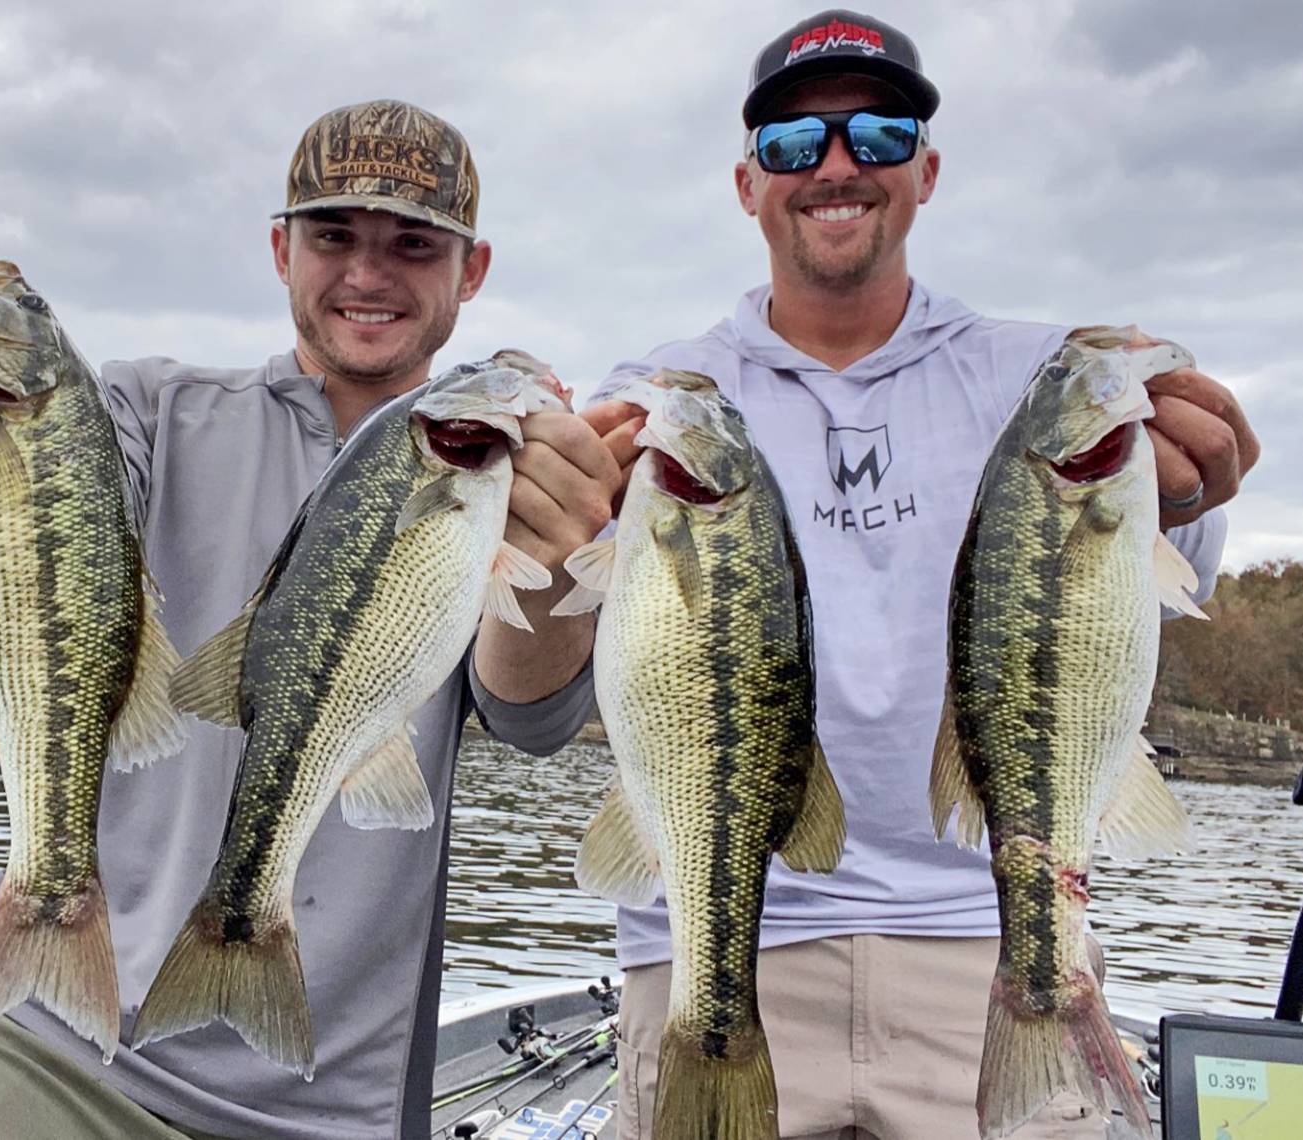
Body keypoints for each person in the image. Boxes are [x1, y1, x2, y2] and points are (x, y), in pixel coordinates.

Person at [0, 99, 635, 1140]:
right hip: (37, 1040)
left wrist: (556, 567)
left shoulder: (497, 470)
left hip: (322, 1106)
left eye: (413, 245)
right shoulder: (149, 407)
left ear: (471, 270)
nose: (369, 274)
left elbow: (531, 718)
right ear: (280, 249)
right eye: (335, 236)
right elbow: (45, 539)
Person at [509, 10, 1261, 1139]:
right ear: (748, 183)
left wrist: (1191, 483)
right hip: (716, 943)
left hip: (988, 937)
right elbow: (528, 700)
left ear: (928, 168)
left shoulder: (1039, 374)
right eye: (794, 144)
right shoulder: (657, 400)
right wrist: (543, 542)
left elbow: (1147, 594)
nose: (838, 164)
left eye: (879, 129)